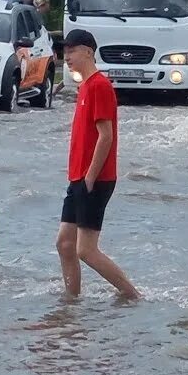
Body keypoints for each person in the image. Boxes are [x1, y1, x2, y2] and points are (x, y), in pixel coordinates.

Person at [57, 29, 139, 299]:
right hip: (78, 176)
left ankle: (132, 295)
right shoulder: (86, 86)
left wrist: (90, 177)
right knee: (65, 243)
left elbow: (106, 136)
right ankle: (72, 299)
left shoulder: (100, 86)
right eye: (65, 52)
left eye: (72, 51)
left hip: (95, 178)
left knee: (85, 250)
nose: (66, 57)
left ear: (88, 52)